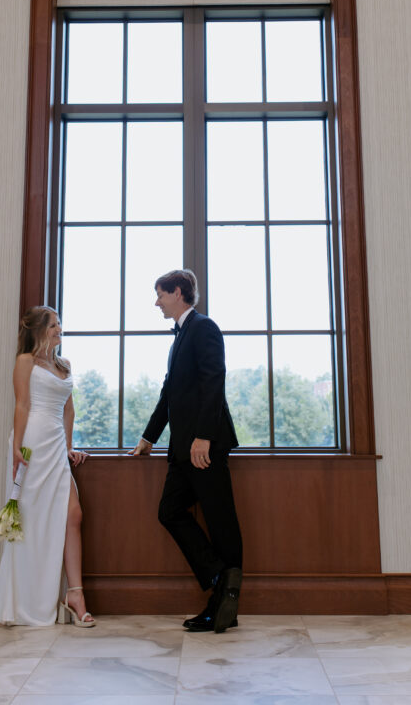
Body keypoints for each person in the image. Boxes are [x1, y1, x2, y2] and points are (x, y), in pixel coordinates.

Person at [130, 269, 243, 633]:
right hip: (181, 449)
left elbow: (214, 381)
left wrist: (204, 437)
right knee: (169, 511)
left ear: (177, 292)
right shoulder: (181, 335)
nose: (157, 302)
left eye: (161, 295)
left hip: (203, 447)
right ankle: (219, 577)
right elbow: (169, 393)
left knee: (221, 521)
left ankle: (223, 605)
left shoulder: (204, 328)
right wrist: (148, 438)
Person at [0, 306, 95, 627]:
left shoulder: (64, 364)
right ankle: (24, 600)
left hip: (56, 445)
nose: (59, 329)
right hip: (31, 443)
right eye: (53, 325)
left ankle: (75, 595)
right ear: (38, 330)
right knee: (30, 520)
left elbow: (68, 411)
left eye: (59, 323)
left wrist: (69, 447)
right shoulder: (25, 362)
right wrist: (18, 448)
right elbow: (22, 404)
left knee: (73, 514)